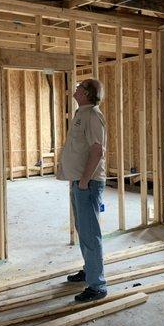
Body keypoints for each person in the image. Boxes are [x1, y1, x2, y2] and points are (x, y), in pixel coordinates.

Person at [56, 78, 107, 302]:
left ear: (86, 93)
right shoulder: (82, 113)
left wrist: (85, 180)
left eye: (79, 87)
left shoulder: (93, 115)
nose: (75, 89)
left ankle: (97, 286)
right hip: (80, 182)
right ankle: (89, 270)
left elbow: (97, 151)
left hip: (88, 183)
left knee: (90, 233)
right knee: (83, 230)